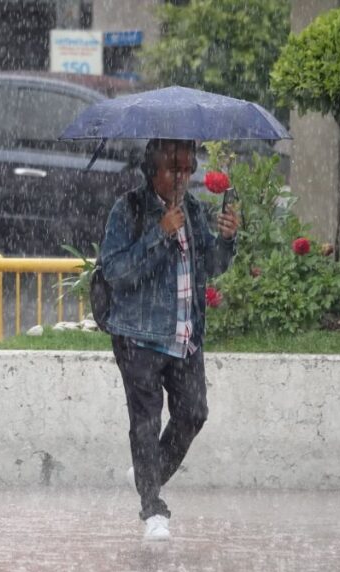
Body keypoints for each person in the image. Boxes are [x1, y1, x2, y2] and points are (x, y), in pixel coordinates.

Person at [99, 139, 240, 540]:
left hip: (185, 336)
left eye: (187, 168)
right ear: (152, 171)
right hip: (138, 337)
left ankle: (150, 473)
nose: (182, 177)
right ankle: (152, 507)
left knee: (193, 413)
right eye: (173, 169)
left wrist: (226, 239)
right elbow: (116, 272)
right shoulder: (128, 209)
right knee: (145, 422)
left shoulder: (192, 209)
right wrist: (159, 234)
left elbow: (211, 266)